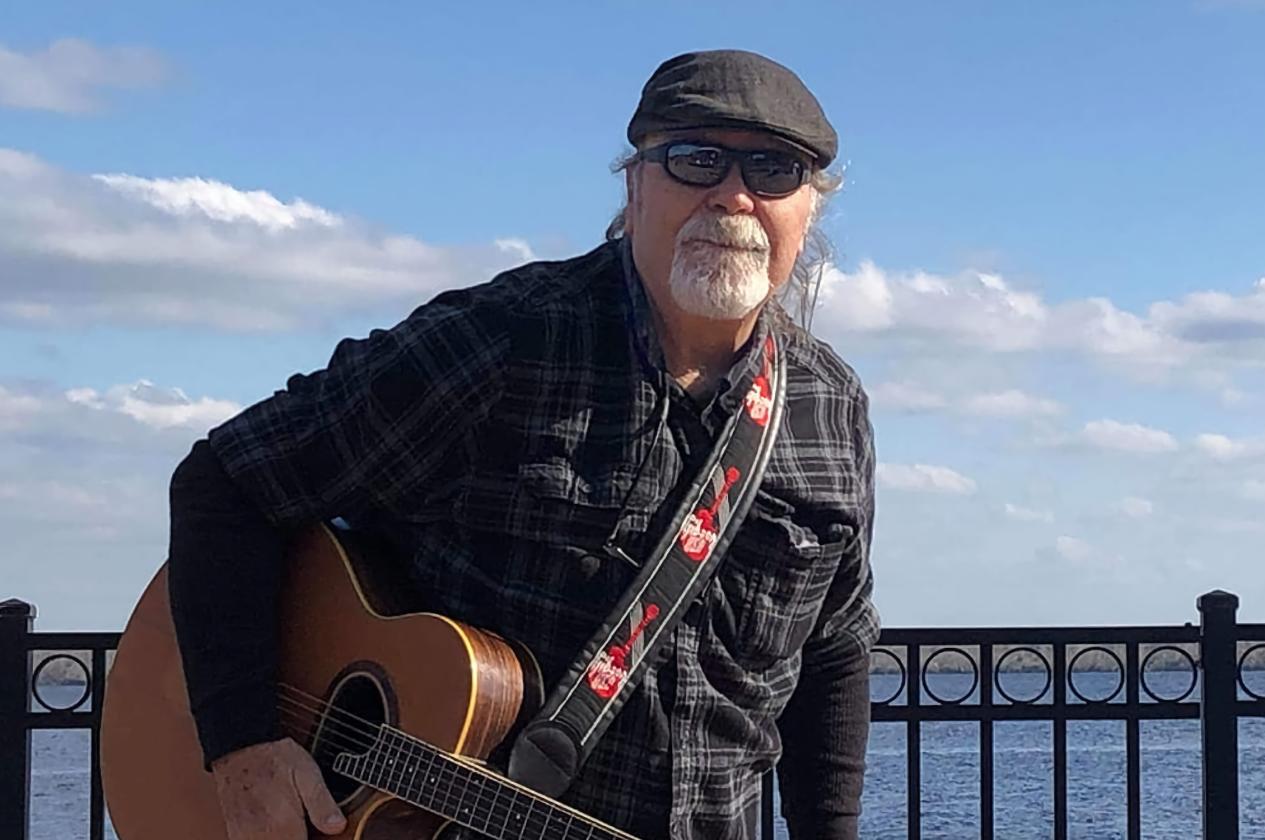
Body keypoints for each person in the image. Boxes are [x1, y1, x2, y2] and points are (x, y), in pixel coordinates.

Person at [167, 48, 878, 840]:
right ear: (636, 184)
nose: (734, 196)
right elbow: (227, 479)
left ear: (809, 210)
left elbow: (834, 649)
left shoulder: (830, 406)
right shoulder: (504, 340)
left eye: (774, 171)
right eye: (695, 159)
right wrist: (240, 741)